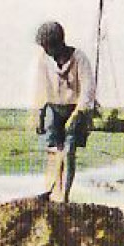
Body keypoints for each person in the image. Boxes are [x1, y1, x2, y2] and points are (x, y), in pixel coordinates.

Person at [28, 20, 96, 203]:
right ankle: (51, 190)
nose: (45, 50)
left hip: (76, 109)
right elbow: (41, 88)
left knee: (69, 150)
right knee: (53, 150)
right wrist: (39, 115)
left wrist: (78, 114)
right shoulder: (45, 60)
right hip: (54, 107)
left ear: (57, 43)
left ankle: (64, 195)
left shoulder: (79, 58)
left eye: (47, 46)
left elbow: (88, 88)